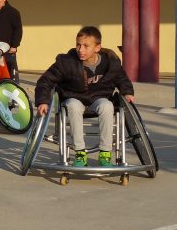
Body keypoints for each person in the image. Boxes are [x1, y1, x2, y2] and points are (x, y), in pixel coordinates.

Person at [34, 26, 134, 167]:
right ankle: (80, 153)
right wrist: (43, 101)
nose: (81, 49)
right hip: (74, 96)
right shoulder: (67, 62)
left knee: (107, 106)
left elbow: (121, 78)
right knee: (74, 106)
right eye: (78, 45)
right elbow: (45, 81)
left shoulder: (110, 62)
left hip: (98, 98)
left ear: (97, 48)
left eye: (86, 46)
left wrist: (127, 92)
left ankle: (105, 153)